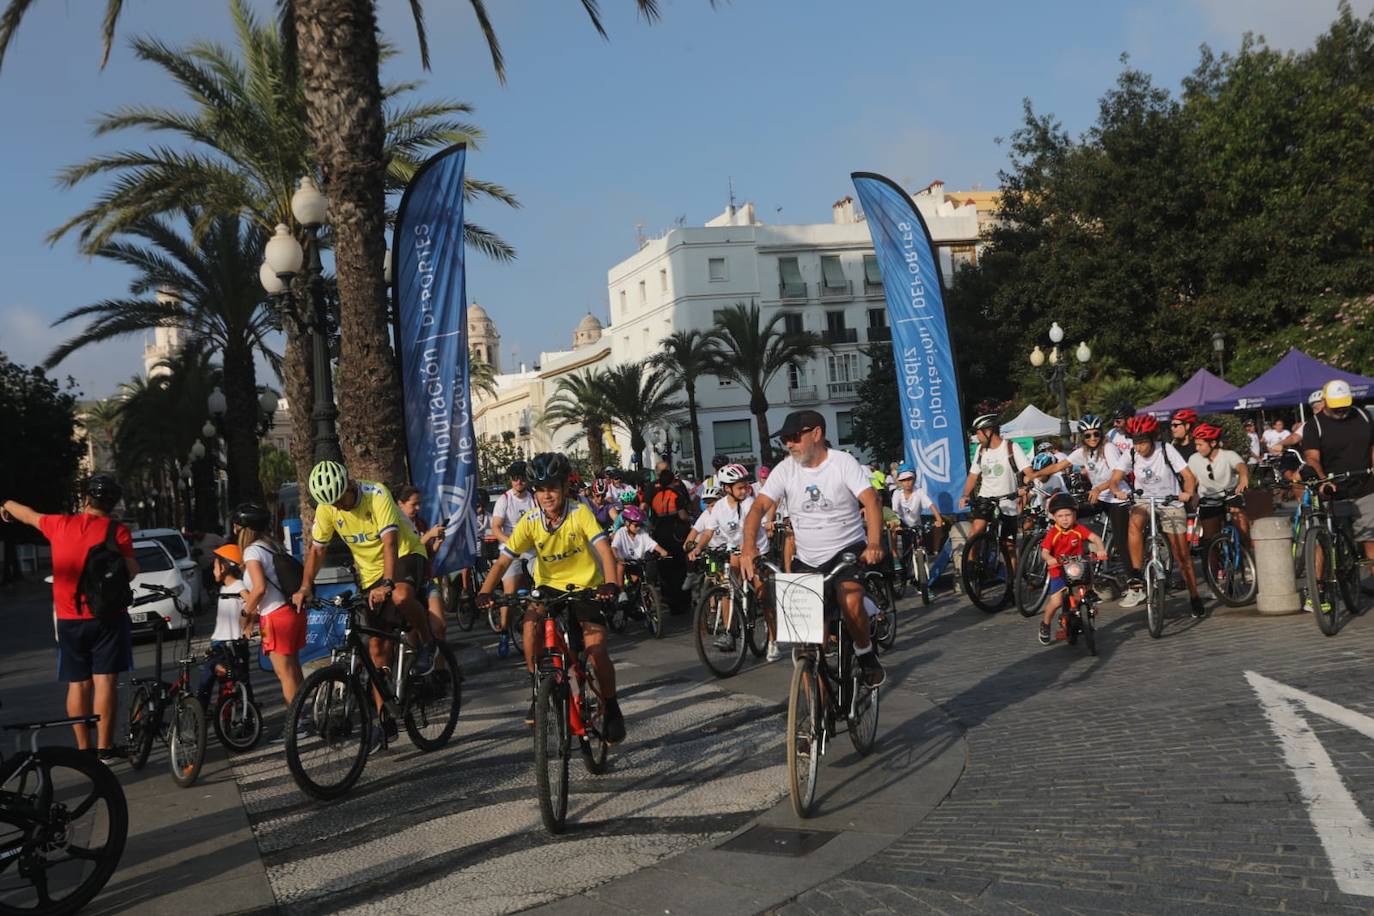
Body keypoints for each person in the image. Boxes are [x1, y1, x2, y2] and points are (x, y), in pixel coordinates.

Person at [476, 452, 626, 742]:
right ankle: (539, 688)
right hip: (548, 587)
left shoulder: (579, 513)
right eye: (540, 490)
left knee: (596, 651)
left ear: (564, 488)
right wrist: (484, 591)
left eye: (552, 488)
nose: (547, 495)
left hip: (586, 587)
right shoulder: (530, 521)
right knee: (531, 627)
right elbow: (504, 562)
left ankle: (611, 705)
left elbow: (605, 551)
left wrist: (609, 583)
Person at [294, 462, 438, 748]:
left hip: (405, 555)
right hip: (370, 573)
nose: (338, 507)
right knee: (375, 651)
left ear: (349, 484)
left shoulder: (376, 494)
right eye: (331, 503)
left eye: (340, 499)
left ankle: (427, 643)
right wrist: (305, 587)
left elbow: (390, 544)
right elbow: (318, 549)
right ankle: (385, 723)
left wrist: (387, 582)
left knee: (400, 595)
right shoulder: (328, 507)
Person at [740, 410, 886, 687]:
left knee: (850, 599)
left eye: (794, 438)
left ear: (816, 434)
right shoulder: (785, 468)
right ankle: (817, 715)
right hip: (807, 558)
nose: (789, 445)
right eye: (785, 440)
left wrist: (875, 542)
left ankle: (865, 653)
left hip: (846, 549)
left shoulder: (842, 463)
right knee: (806, 643)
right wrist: (748, 546)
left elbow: (871, 500)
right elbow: (758, 506)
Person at [1, 476, 137, 761]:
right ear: (112, 504)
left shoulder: (59, 525)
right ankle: (105, 748)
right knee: (106, 681)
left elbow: (27, 515)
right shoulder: (118, 530)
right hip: (107, 616)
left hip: (68, 618)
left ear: (87, 499)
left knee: (79, 684)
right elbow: (132, 570)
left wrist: (6, 504)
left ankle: (83, 749)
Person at [688, 463, 777, 660]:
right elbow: (709, 532)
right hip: (735, 552)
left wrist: (754, 543)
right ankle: (729, 632)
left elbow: (754, 527)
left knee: (762, 594)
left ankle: (773, 639)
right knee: (728, 589)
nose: (745, 490)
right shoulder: (718, 508)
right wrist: (697, 547)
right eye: (739, 487)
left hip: (756, 550)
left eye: (746, 486)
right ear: (727, 489)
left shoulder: (749, 503)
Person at [1119, 415, 1203, 616]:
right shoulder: (1131, 453)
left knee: (1181, 555)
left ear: (1152, 438)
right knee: (1134, 522)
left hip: (1170, 500)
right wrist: (1116, 489)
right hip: (1145, 500)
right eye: (1135, 442)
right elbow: (1115, 477)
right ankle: (1137, 574)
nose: (1139, 447)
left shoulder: (1166, 449)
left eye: (1143, 442)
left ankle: (1194, 596)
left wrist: (1188, 493)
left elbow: (1188, 477)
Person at [1301, 379, 1374, 606]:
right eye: (1336, 406)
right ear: (1324, 402)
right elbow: (1312, 457)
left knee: (1371, 540)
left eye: (1345, 405)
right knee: (1324, 541)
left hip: (1366, 487)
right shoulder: (1315, 425)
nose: (1342, 410)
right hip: (1334, 489)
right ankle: (1319, 589)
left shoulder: (1363, 417)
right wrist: (1323, 481)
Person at [233, 502, 308, 719]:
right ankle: (303, 717)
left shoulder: (251, 552)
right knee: (294, 669)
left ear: (242, 528)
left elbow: (259, 589)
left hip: (275, 617)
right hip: (292, 613)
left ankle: (297, 722)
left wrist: (245, 615)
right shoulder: (272, 545)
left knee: (284, 674)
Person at [1043, 415, 1130, 568]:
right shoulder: (1082, 452)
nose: (1092, 438)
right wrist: (1032, 475)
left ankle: (1133, 582)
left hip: (1117, 498)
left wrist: (1098, 488)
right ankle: (1079, 549)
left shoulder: (1108, 448)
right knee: (1070, 513)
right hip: (1100, 497)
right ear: (1083, 437)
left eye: (1096, 434)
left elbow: (1118, 475)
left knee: (1121, 541)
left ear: (1101, 434)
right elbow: (1058, 466)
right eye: (1088, 435)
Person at [1036, 492, 1109, 645]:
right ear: (1054, 517)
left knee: (1087, 588)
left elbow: (1095, 538)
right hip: (1059, 571)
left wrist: (1101, 549)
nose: (1064, 519)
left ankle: (1089, 605)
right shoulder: (1053, 533)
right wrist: (1050, 559)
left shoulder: (1078, 529)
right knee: (1056, 602)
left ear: (1075, 514)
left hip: (1078, 567)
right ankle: (1046, 624)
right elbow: (1044, 551)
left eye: (1068, 515)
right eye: (1060, 516)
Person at [958, 414, 1030, 553]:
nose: (976, 437)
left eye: (978, 433)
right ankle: (971, 570)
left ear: (988, 431)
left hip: (1008, 500)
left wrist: (1026, 487)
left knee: (1008, 547)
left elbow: (1028, 471)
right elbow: (973, 476)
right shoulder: (981, 450)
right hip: (986, 497)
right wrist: (965, 495)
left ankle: (1012, 575)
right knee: (974, 534)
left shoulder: (1011, 447)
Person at [196, 543, 251, 710]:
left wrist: (248, 626)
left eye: (215, 566)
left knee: (232, 679)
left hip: (232, 642)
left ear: (225, 566)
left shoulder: (239, 586)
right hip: (218, 641)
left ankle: (243, 714)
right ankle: (203, 712)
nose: (213, 571)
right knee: (213, 679)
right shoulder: (224, 588)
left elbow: (251, 602)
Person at [491, 461, 535, 657]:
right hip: (510, 549)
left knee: (543, 584)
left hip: (531, 548)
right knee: (509, 594)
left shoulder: (533, 498)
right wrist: (511, 543)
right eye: (515, 478)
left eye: (522, 478)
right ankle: (503, 634)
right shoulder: (505, 499)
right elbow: (496, 528)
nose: (519, 481)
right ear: (511, 479)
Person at [396, 484, 449, 643]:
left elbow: (427, 555)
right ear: (400, 504)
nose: (418, 508)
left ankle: (440, 667)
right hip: (407, 583)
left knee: (439, 628)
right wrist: (428, 536)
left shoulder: (421, 523)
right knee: (414, 635)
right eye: (413, 504)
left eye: (419, 504)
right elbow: (409, 550)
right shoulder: (396, 525)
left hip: (427, 579)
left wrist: (437, 543)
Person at [1187, 423, 1250, 552]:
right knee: (1210, 541)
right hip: (1209, 499)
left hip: (1230, 495)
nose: (1197, 448)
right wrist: (1193, 493)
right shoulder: (1193, 459)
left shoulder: (1228, 455)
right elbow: (1192, 480)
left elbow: (1240, 466)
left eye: (1200, 445)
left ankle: (1246, 556)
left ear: (1213, 443)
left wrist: (1243, 478)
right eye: (1196, 444)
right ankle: (1214, 569)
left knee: (1241, 524)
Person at [610, 506, 670, 613]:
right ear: (627, 523)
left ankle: (639, 602)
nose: (638, 528)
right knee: (621, 565)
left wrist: (662, 551)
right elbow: (614, 547)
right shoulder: (621, 533)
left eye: (640, 525)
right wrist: (617, 557)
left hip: (637, 562)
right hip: (624, 562)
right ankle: (621, 592)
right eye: (636, 525)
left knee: (638, 581)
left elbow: (652, 544)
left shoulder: (642, 533)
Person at [888, 463, 947, 569]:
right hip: (902, 523)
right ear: (900, 481)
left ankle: (935, 551)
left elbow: (931, 505)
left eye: (910, 479)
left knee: (936, 527)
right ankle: (894, 555)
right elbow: (894, 511)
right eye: (904, 480)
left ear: (914, 479)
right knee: (893, 529)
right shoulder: (897, 493)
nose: (907, 483)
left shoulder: (919, 491)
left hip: (916, 524)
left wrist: (939, 519)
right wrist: (896, 523)